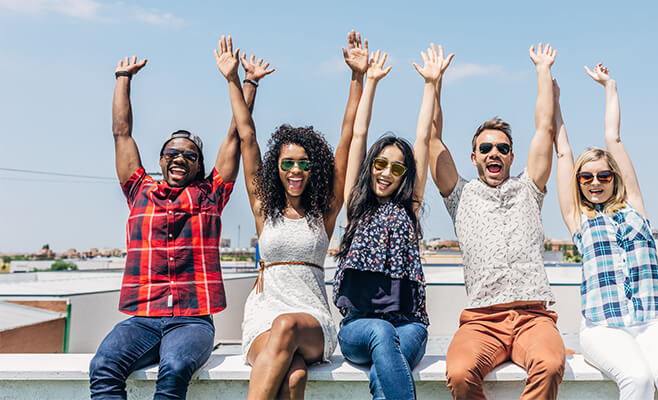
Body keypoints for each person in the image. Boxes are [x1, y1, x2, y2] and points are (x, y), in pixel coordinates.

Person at [89, 35, 250, 399]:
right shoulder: (139, 190)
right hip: (144, 318)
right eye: (173, 153)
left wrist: (243, 82)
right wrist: (122, 77)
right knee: (103, 367)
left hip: (193, 321)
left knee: (174, 369)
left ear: (199, 165)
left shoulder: (211, 195)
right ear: (161, 159)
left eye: (190, 155)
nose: (180, 158)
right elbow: (121, 132)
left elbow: (236, 136)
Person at [431, 43, 566, 400]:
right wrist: (435, 84)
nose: (495, 153)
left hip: (532, 317)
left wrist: (542, 71)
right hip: (481, 320)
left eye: (502, 148)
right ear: (473, 157)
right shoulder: (459, 194)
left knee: (551, 365)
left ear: (511, 156)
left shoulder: (529, 189)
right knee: (460, 374)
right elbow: (432, 141)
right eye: (486, 148)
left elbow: (544, 128)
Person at [238, 31, 368, 400]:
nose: (295, 170)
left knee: (288, 326)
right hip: (264, 317)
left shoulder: (322, 213)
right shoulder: (265, 210)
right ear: (276, 168)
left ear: (314, 168)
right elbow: (247, 137)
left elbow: (347, 139)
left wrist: (356, 78)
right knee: (294, 379)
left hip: (310, 319)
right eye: (287, 163)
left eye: (303, 163)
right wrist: (237, 80)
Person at [553, 64, 658, 399]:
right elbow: (562, 152)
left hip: (653, 320)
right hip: (603, 327)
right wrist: (554, 101)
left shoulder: (635, 207)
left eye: (603, 175)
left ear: (614, 178)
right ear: (579, 182)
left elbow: (613, 138)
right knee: (638, 379)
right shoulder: (578, 218)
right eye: (586, 177)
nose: (595, 182)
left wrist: (609, 86)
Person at [332, 43, 453, 400]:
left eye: (397, 168)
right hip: (358, 327)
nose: (387, 173)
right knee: (381, 335)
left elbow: (422, 138)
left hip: (411, 326)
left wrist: (431, 85)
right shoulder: (356, 205)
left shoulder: (409, 208)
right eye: (381, 164)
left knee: (385, 367)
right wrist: (370, 82)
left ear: (405, 175)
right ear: (371, 166)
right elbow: (358, 134)